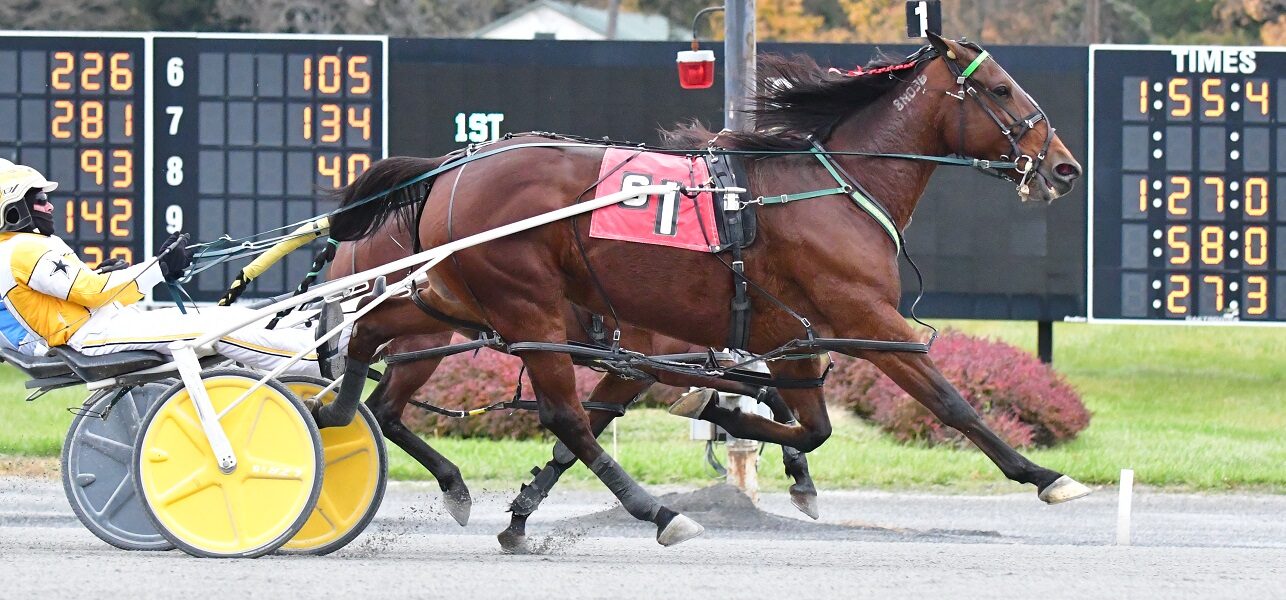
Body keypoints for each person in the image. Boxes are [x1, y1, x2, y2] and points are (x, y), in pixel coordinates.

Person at [0, 159, 342, 378]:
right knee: (216, 329)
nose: (49, 205)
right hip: (89, 338)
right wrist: (159, 268)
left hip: (99, 327)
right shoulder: (24, 248)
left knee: (220, 320)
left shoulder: (18, 249)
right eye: (39, 199)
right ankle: (311, 360)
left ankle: (306, 343)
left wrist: (127, 271)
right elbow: (91, 292)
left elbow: (87, 292)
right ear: (12, 207)